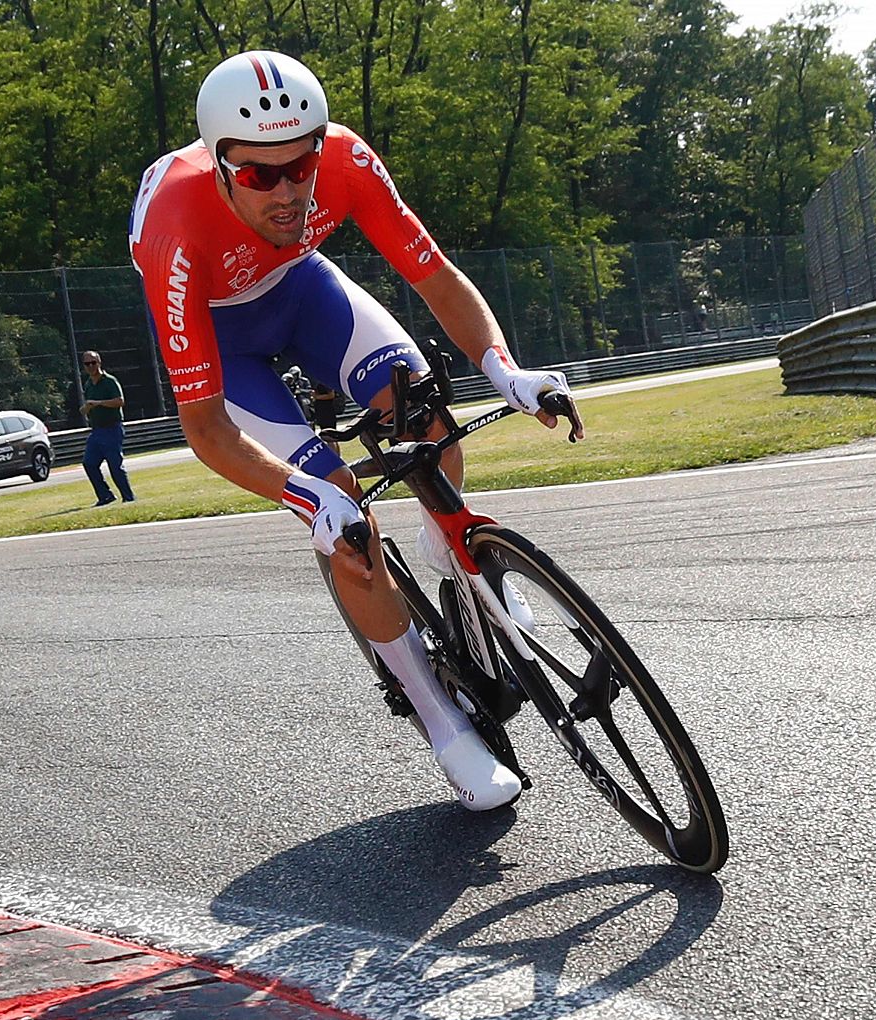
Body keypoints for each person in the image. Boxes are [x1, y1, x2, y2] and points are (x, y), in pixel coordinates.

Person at [129, 50, 582, 811]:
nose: (287, 190)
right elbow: (205, 427)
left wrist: (507, 371)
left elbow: (432, 273)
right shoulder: (174, 231)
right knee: (345, 515)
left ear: (320, 146)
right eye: (258, 175)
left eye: (299, 165)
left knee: (424, 410)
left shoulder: (346, 160)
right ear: (217, 165)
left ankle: (455, 554)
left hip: (304, 289)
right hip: (223, 338)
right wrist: (306, 499)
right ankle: (444, 728)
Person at [80, 350, 136, 506]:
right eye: (87, 364)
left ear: (99, 362)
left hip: (112, 428)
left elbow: (120, 401)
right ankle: (105, 496)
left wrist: (99, 403)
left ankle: (128, 497)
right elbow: (89, 404)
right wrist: (86, 409)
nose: (91, 366)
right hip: (96, 430)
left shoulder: (110, 381)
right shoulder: (88, 384)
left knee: (114, 465)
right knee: (89, 463)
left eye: (93, 363)